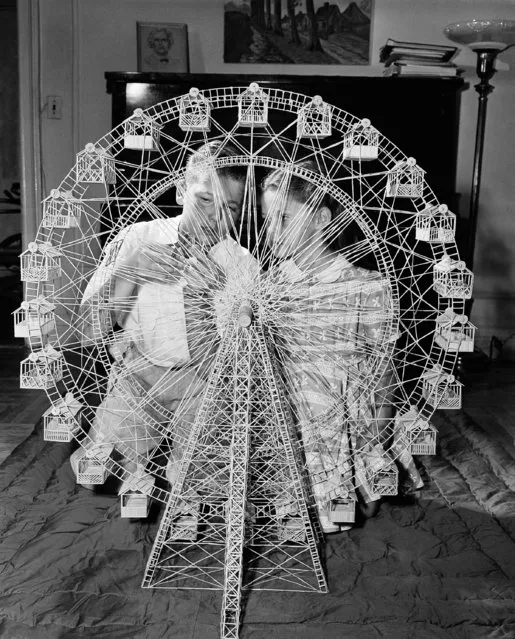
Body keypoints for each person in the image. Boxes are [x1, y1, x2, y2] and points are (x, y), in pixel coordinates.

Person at [72, 140, 255, 489]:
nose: (215, 218)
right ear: (179, 190)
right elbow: (86, 333)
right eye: (204, 200)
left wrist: (215, 295)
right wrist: (132, 268)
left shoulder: (242, 263)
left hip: (206, 384)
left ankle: (178, 453)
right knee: (95, 476)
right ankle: (146, 444)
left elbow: (240, 362)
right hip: (139, 375)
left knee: (208, 489)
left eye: (229, 208)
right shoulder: (138, 238)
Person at [261, 163, 423, 534]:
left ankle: (361, 480)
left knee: (348, 514)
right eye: (267, 219)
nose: (271, 232)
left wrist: (376, 445)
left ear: (320, 218)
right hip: (289, 415)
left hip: (345, 417)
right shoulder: (267, 286)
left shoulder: (367, 287)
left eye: (283, 218)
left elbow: (383, 371)